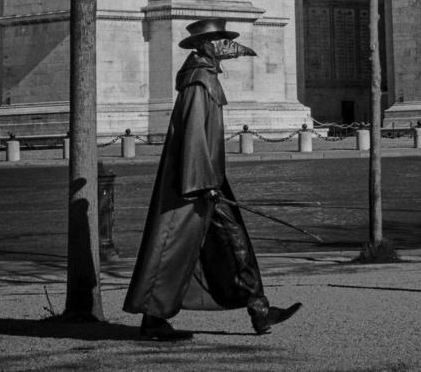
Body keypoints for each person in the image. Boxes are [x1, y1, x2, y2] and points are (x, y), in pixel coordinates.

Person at [124, 18, 303, 342]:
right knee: (176, 249)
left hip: (206, 179)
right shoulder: (199, 81)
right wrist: (202, 183)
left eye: (225, 40)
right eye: (218, 40)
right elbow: (193, 133)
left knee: (232, 244)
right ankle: (154, 320)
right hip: (195, 184)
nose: (225, 46)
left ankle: (259, 310)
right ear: (203, 46)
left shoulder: (202, 77)